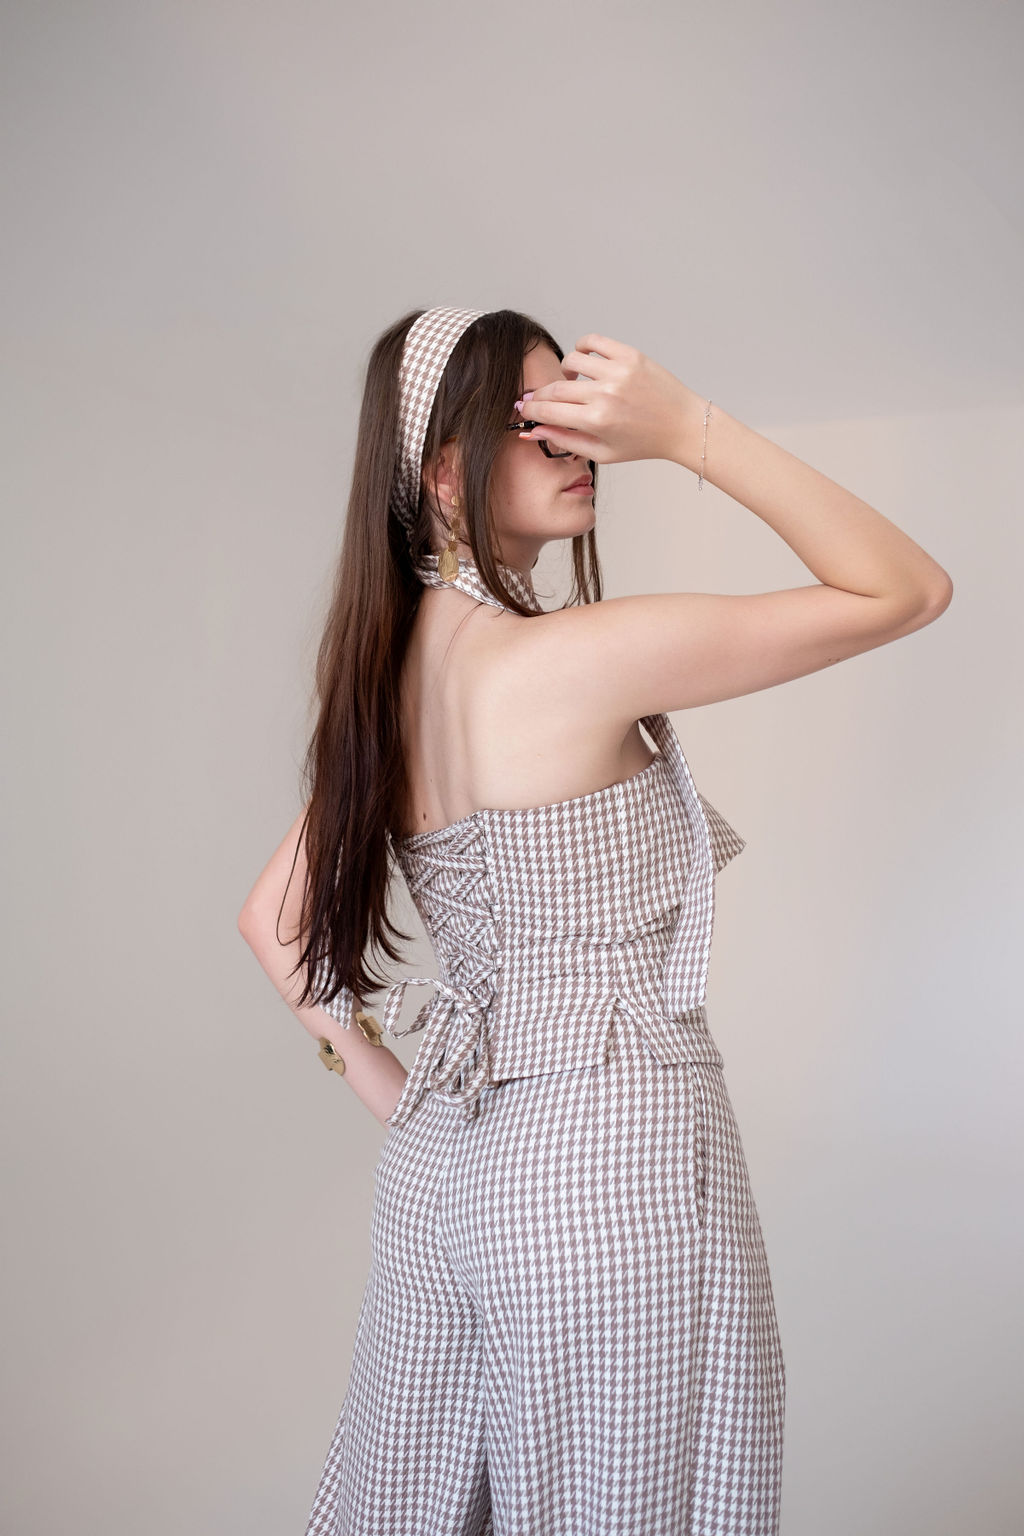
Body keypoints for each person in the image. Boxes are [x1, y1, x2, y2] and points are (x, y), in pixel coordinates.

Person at [238, 307, 953, 1535]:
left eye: (578, 416)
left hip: (445, 1175)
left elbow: (272, 922)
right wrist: (688, 430)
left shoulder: (383, 689)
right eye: (537, 423)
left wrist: (402, 1098)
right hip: (610, 1156)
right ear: (446, 474)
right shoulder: (578, 658)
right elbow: (905, 587)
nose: (579, 446)